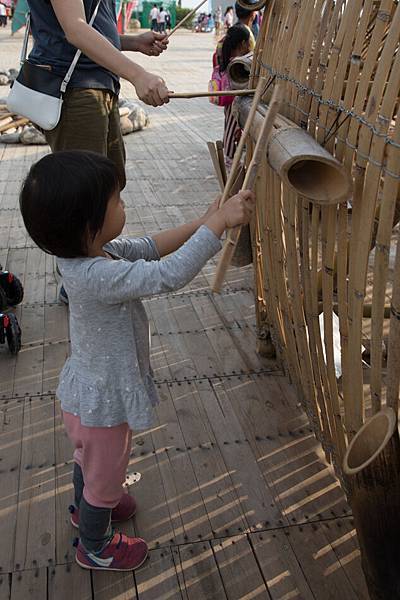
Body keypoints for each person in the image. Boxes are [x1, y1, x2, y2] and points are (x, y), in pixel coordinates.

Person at [19, 150, 255, 571]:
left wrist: (204, 222)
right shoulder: (97, 276)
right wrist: (218, 226)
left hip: (88, 395)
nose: (123, 205)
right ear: (87, 224)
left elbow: (150, 248)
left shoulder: (90, 254)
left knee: (89, 462)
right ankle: (95, 542)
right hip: (104, 404)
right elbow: (168, 274)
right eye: (116, 201)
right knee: (105, 475)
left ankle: (86, 504)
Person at [210, 23, 251, 168]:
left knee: (229, 127)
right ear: (243, 43)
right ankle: (230, 160)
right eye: (248, 43)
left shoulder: (224, 53)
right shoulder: (239, 62)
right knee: (232, 130)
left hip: (228, 100)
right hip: (236, 101)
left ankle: (229, 157)